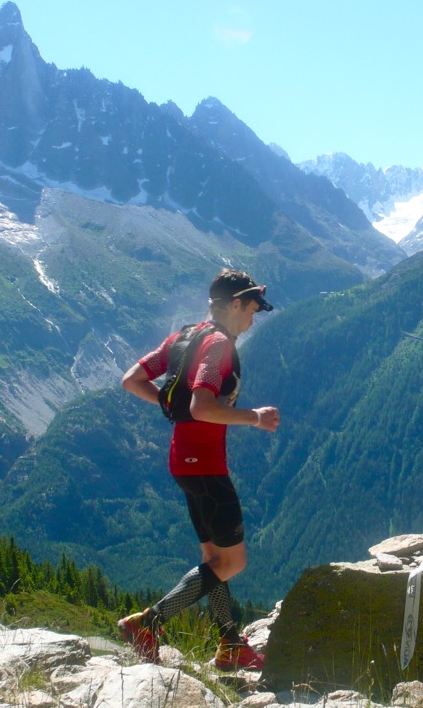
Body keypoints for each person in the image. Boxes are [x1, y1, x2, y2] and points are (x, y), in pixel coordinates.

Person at [116, 268, 280, 671]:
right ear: (236, 304)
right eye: (252, 309)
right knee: (232, 562)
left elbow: (132, 380)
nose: (253, 319)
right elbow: (202, 406)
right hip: (205, 466)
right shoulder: (219, 344)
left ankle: (229, 644)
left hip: (182, 461)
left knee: (213, 559)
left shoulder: (185, 336)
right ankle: (147, 623)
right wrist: (254, 417)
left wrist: (171, 406)